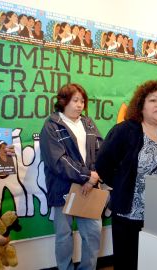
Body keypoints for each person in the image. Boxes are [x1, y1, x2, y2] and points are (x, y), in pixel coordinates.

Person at [95, 80, 157, 270]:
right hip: (130, 214)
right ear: (141, 106)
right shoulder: (126, 131)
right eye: (153, 100)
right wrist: (120, 185)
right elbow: (103, 163)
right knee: (129, 264)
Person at [40, 83, 103, 270]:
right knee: (64, 236)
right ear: (63, 101)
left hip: (90, 188)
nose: (79, 105)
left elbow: (100, 151)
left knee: (93, 233)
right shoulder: (51, 125)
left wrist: (93, 178)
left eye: (82, 101)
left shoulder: (88, 123)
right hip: (63, 188)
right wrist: (86, 176)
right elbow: (58, 161)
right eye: (75, 100)